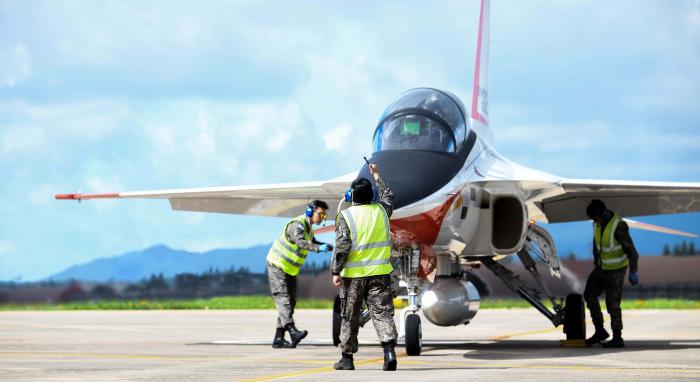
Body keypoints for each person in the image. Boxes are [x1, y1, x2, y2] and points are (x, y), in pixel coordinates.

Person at [331, 164, 397, 371]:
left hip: (354, 277)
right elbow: (388, 195)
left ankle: (347, 358)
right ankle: (389, 352)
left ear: (351, 196)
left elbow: (342, 247)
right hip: (380, 274)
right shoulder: (382, 211)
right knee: (382, 313)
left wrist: (335, 270)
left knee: (350, 316)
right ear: (372, 195)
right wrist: (377, 174)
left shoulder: (346, 216)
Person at [266, 200, 333, 349]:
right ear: (310, 211)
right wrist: (317, 248)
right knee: (283, 299)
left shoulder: (308, 228)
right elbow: (301, 242)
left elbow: (311, 240)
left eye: (324, 214)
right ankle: (292, 330)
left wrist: (325, 245)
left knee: (291, 301)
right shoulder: (297, 224)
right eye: (320, 213)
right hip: (277, 265)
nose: (322, 217)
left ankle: (279, 338)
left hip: (289, 270)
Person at [583, 199, 640, 348]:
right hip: (602, 268)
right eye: (593, 219)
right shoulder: (597, 223)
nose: (595, 221)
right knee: (589, 294)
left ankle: (617, 337)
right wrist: (597, 263)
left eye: (596, 218)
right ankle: (600, 331)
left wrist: (633, 272)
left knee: (612, 303)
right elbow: (597, 245)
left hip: (617, 269)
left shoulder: (618, 226)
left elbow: (633, 253)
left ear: (603, 213)